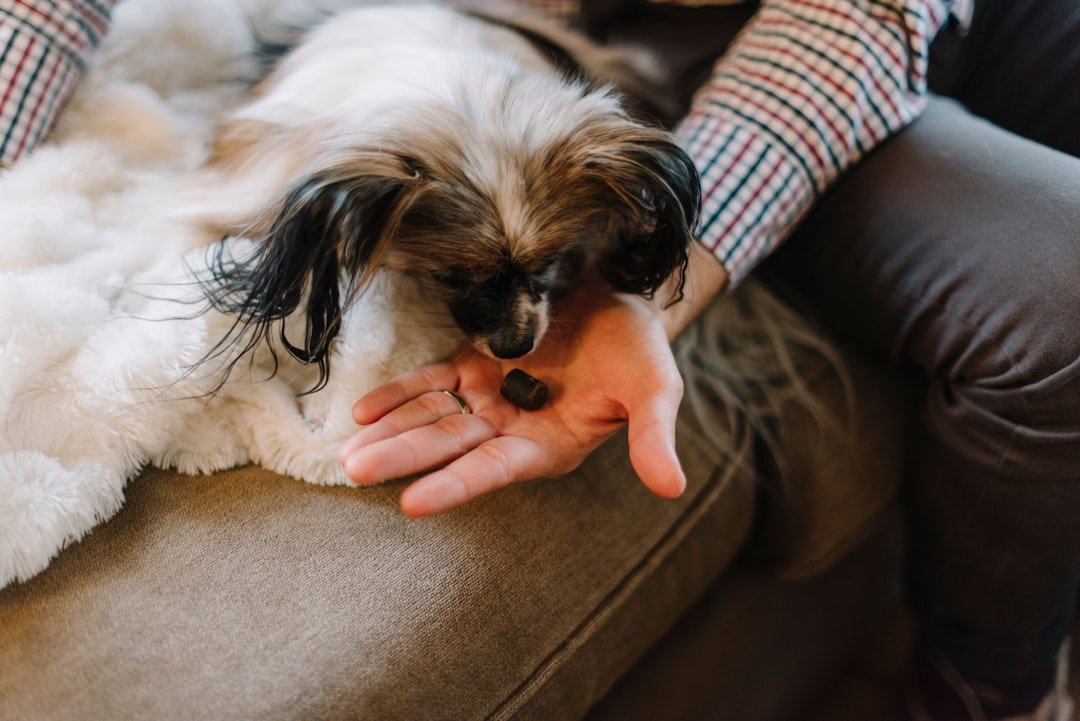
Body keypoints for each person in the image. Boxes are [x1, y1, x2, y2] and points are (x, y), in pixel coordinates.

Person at [6, 1, 1076, 719]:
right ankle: (985, 687)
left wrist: (660, 280)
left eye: (545, 276)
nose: (514, 326)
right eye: (483, 286)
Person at [336, 1, 1080, 720]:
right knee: (1062, 287)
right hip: (677, 52)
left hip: (937, 21)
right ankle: (987, 685)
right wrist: (641, 290)